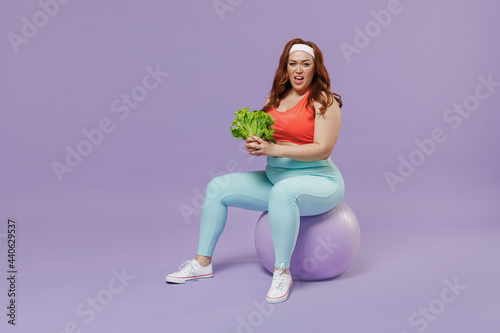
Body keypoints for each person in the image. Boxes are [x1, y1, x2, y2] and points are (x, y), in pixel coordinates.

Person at [166, 38, 345, 304]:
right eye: (292, 64)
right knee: (218, 187)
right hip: (275, 181)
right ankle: (202, 263)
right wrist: (255, 142)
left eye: (305, 64)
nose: (298, 70)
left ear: (315, 68)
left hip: (319, 181)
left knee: (284, 192)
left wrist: (274, 150)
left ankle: (282, 271)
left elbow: (323, 150)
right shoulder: (275, 99)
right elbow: (270, 140)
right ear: (285, 68)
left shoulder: (323, 102)